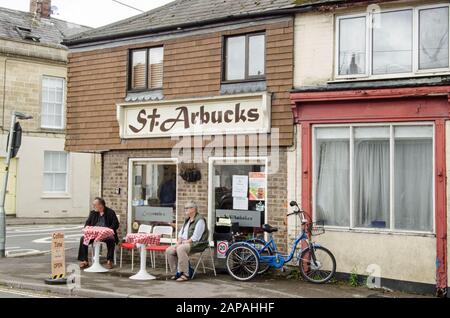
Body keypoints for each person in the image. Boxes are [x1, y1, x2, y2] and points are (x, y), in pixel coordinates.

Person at [165, 200, 209, 282]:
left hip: (197, 244)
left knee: (180, 249)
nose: (185, 210)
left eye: (187, 208)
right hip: (185, 242)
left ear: (193, 209)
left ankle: (185, 274)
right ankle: (177, 272)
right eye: (185, 208)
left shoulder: (200, 220)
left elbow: (196, 237)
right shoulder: (187, 220)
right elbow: (181, 234)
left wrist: (183, 243)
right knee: (169, 250)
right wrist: (178, 242)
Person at [78, 197, 120, 269]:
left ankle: (109, 260)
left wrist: (108, 230)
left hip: (105, 235)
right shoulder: (93, 213)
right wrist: (88, 228)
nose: (93, 206)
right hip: (94, 235)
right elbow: (87, 224)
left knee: (111, 240)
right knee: (83, 239)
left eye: (95, 204)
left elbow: (116, 224)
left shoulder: (110, 212)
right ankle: (85, 260)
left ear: (101, 205)